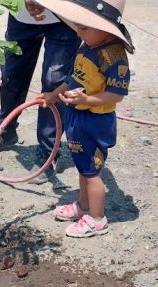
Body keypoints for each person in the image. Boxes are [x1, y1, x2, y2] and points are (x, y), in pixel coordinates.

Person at [35, 0, 135, 237]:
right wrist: (53, 94)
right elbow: (74, 78)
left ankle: (97, 219)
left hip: (94, 122)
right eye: (78, 27)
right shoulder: (87, 44)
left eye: (84, 28)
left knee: (92, 172)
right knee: (83, 167)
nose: (79, 32)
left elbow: (116, 94)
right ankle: (83, 206)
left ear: (105, 26)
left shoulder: (113, 57)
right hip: (78, 116)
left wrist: (87, 100)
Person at [0, 0, 81, 185]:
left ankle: (49, 152)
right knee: (12, 75)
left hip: (66, 18)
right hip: (21, 16)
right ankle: (6, 131)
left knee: (54, 82)